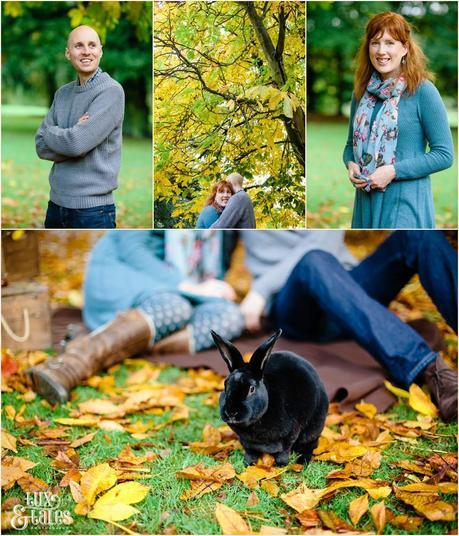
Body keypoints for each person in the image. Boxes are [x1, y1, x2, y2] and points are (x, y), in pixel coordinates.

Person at [240, 230, 458, 422]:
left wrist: (260, 288)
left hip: (346, 287)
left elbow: (324, 241)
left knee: (418, 235)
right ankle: (433, 373)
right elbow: (212, 248)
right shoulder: (241, 204)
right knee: (313, 261)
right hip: (295, 306)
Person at [27, 230, 245, 403]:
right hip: (123, 272)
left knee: (231, 316)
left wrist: (207, 288)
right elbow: (132, 250)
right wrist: (185, 285)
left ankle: (119, 340)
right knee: (175, 307)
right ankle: (70, 365)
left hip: (179, 290)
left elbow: (220, 263)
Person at [343, 12, 454, 229]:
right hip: (365, 204)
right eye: (375, 43)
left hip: (405, 203)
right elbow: (349, 146)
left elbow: (444, 154)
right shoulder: (361, 93)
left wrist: (393, 171)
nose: (381, 51)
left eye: (389, 43)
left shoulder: (423, 91)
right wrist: (351, 163)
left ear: (405, 48)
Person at [35, 25, 125, 229]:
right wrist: (70, 135)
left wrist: (55, 133)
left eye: (92, 45)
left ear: (100, 50)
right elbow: (40, 144)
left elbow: (76, 144)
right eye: (78, 46)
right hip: (56, 205)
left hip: (92, 212)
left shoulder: (111, 92)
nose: (86, 51)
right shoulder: (62, 94)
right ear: (68, 53)